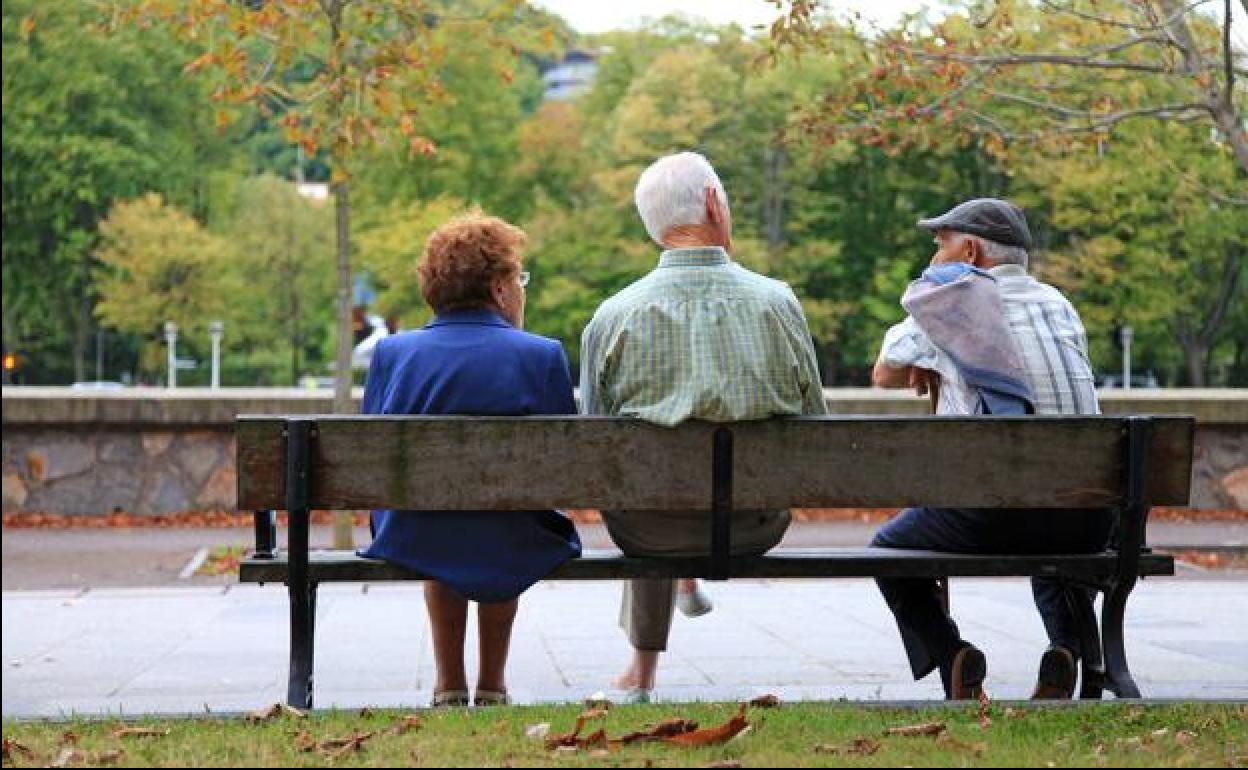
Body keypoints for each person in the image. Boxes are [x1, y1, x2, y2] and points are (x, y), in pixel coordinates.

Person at [580, 151, 828, 702]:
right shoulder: (778, 304)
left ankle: (640, 671)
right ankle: (681, 592)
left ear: (651, 227)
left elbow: (594, 449)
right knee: (664, 487)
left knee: (646, 492)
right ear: (715, 204)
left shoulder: (612, 316)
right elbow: (818, 429)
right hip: (754, 526)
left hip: (649, 530)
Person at [870, 198, 1102, 701]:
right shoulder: (1060, 305)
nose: (935, 258)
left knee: (889, 550)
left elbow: (883, 372)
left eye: (940, 246)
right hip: (1088, 516)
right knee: (1052, 515)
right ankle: (1065, 650)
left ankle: (952, 654)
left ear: (970, 251)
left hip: (992, 516)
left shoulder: (949, 300)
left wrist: (928, 357)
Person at [360, 212, 582, 708]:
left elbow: (373, 462)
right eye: (519, 278)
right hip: (513, 531)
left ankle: (449, 684)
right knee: (504, 517)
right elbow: (562, 468)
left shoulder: (393, 355)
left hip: (415, 531)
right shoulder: (541, 355)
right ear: (500, 288)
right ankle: (493, 684)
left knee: (441, 522)